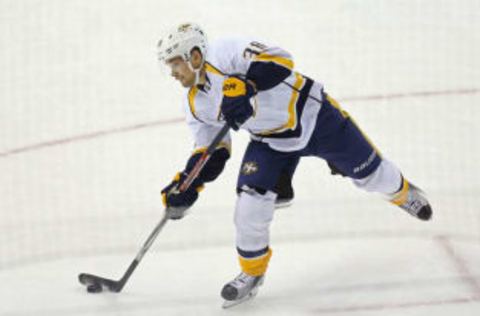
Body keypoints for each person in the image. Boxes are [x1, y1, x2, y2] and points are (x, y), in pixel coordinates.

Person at [157, 23, 432, 305]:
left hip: (314, 117)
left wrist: (246, 84)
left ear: (194, 55)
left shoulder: (225, 51)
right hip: (269, 142)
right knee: (249, 205)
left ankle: (402, 193)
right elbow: (211, 151)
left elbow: (280, 60)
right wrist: (187, 184)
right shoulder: (195, 105)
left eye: (175, 64)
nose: (173, 74)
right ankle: (251, 273)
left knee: (374, 176)